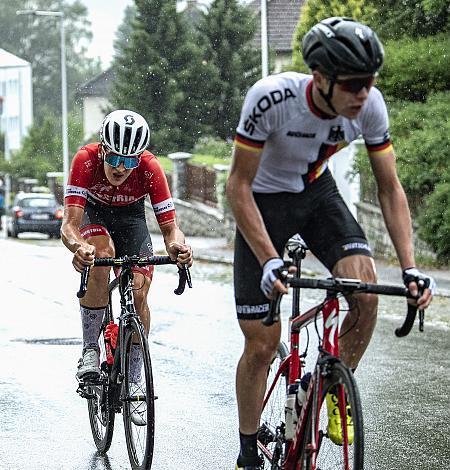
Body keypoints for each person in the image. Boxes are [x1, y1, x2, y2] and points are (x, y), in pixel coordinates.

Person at [225, 17, 436, 469]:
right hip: (263, 200)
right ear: (320, 79)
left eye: (371, 82)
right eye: (355, 84)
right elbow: (236, 187)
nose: (364, 94)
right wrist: (267, 259)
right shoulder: (272, 98)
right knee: (262, 344)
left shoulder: (370, 107)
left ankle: (335, 387)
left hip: (317, 194)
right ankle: (247, 447)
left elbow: (390, 189)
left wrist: (411, 267)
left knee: (365, 289)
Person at [61, 110, 193, 424]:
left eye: (130, 160)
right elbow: (69, 225)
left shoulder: (149, 168)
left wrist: (178, 245)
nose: (122, 167)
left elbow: (171, 228)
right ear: (104, 150)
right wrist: (79, 247)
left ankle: (134, 377)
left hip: (131, 220)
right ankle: (90, 349)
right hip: (94, 217)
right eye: (116, 159)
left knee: (139, 287)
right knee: (100, 254)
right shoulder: (86, 160)